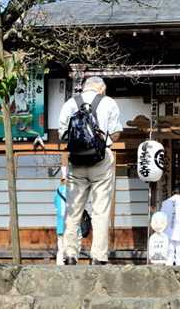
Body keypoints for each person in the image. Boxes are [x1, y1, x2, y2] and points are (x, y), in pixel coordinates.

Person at [59, 76, 123, 265]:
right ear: (101, 89)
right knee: (100, 210)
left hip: (76, 162)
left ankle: (70, 254)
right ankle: (98, 256)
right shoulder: (109, 103)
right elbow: (116, 134)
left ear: (84, 87)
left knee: (73, 210)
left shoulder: (70, 103)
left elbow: (62, 135)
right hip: (101, 161)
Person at [53, 167, 68, 265]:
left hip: (59, 222)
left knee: (60, 242)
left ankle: (59, 261)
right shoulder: (71, 192)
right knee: (68, 242)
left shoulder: (57, 192)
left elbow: (55, 205)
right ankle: (67, 260)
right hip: (68, 222)